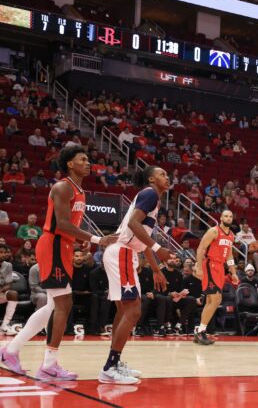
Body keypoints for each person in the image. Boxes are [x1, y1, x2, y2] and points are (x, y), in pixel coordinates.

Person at [1, 146, 116, 380]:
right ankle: (48, 363)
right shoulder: (63, 187)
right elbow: (61, 224)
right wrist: (96, 239)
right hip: (52, 245)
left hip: (62, 246)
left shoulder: (80, 190)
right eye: (82, 159)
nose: (88, 162)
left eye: (88, 159)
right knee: (64, 304)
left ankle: (10, 351)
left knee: (53, 306)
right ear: (70, 164)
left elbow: (68, 226)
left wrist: (77, 242)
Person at [99, 165, 171, 385]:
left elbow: (141, 239)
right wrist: (160, 249)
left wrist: (157, 270)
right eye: (162, 174)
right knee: (133, 310)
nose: (167, 177)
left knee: (124, 311)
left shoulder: (151, 200)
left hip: (125, 253)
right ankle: (110, 367)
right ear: (151, 179)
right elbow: (132, 224)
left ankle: (114, 363)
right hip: (122, 252)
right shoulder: (150, 193)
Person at [193, 210, 238, 345]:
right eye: (226, 216)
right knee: (216, 299)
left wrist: (233, 272)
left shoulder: (231, 236)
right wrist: (199, 267)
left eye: (230, 216)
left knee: (210, 301)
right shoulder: (214, 231)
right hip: (210, 265)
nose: (228, 218)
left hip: (220, 268)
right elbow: (201, 248)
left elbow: (229, 255)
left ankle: (200, 331)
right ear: (220, 218)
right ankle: (201, 331)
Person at [0, 245, 19, 335]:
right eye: (1, 252)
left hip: (1, 292)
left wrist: (1, 290)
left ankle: (5, 325)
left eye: (4, 252)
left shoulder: (8, 265)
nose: (3, 255)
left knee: (13, 293)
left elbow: (9, 284)